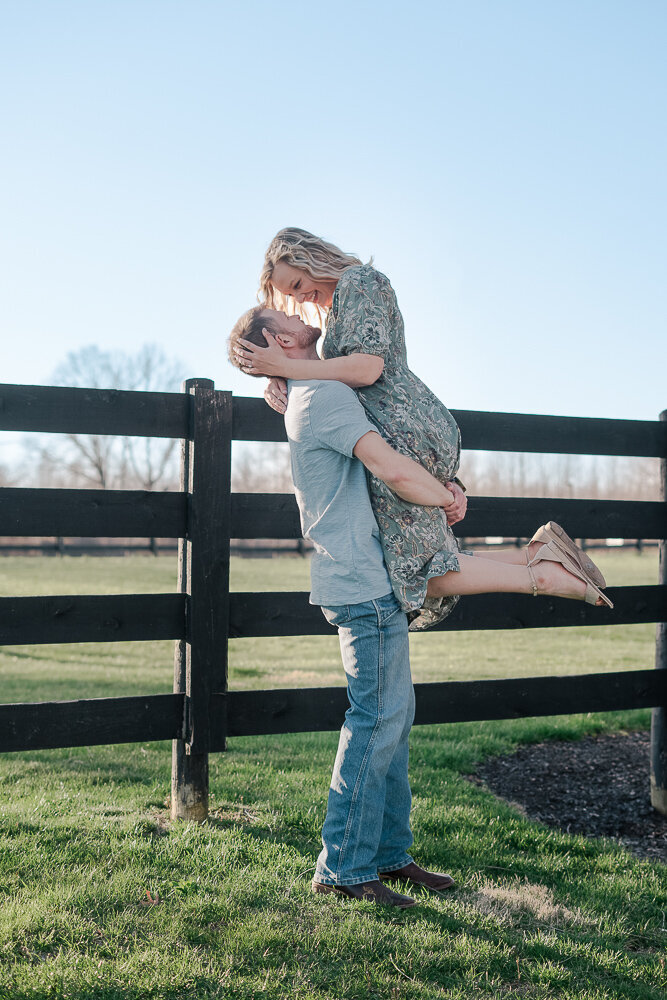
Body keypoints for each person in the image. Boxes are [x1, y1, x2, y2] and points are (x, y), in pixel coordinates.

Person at [226, 305, 609, 909]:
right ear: (278, 339)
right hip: (362, 586)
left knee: (393, 722)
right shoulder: (319, 399)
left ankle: (388, 855)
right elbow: (391, 467)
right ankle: (343, 868)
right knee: (375, 723)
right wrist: (448, 500)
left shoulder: (311, 391)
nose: (301, 314)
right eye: (286, 313)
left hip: (366, 579)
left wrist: (441, 495)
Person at [233, 229, 613, 624]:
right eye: (290, 296)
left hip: (404, 427)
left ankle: (544, 576)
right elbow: (332, 370)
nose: (299, 297)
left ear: (312, 257)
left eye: (297, 284)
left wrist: (286, 368)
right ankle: (537, 555)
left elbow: (368, 367)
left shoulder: (361, 281)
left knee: (422, 571)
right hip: (403, 427)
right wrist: (279, 380)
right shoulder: (341, 306)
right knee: (433, 561)